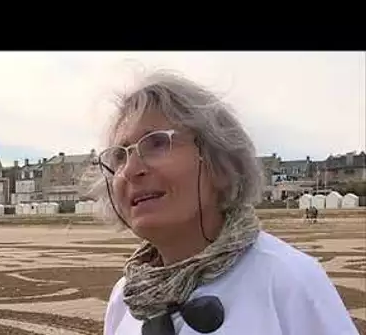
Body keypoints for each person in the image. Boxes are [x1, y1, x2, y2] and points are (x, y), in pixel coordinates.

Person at [93, 71, 358, 334]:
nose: (130, 170)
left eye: (157, 143)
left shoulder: (288, 281)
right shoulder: (124, 301)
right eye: (119, 156)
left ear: (219, 164)